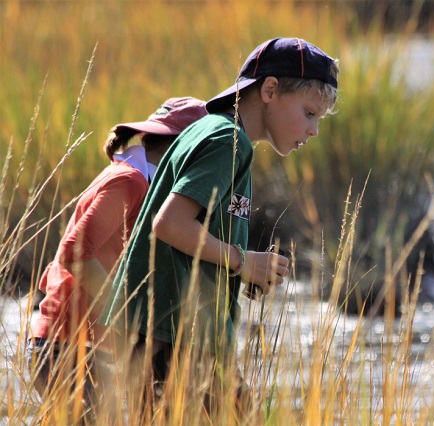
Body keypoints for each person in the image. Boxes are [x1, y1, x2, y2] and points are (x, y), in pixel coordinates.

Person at [101, 37, 339, 420]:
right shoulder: (228, 140)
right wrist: (244, 262)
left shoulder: (216, 132)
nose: (313, 130)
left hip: (173, 330)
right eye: (309, 113)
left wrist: (239, 271)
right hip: (172, 332)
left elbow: (193, 232)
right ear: (270, 90)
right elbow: (170, 224)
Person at [28, 97, 207, 422]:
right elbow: (74, 252)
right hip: (66, 346)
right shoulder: (130, 181)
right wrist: (123, 314)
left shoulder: (140, 180)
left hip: (81, 347)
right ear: (181, 148)